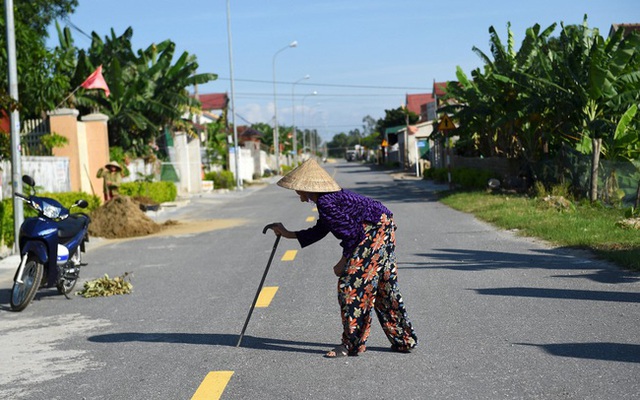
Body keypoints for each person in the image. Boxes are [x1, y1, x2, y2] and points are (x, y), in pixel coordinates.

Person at [271, 159, 418, 358]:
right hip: (383, 225)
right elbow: (322, 229)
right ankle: (403, 339)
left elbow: (353, 235)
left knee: (351, 287)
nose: (298, 195)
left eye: (298, 190)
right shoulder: (328, 199)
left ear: (306, 187)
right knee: (384, 285)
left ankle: (351, 344)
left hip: (371, 231)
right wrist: (288, 233)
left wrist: (343, 263)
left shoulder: (325, 202)